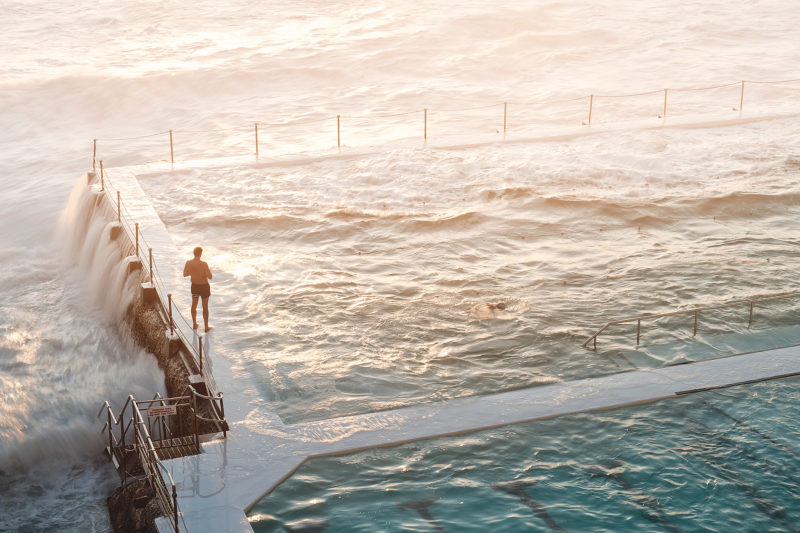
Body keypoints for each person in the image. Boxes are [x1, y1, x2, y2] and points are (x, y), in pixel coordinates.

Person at [183, 246, 212, 332]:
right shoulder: (204, 264)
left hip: (195, 287)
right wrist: (204, 274)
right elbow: (210, 276)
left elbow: (185, 274)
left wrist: (193, 272)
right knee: (205, 307)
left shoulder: (188, 263)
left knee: (194, 305)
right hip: (204, 287)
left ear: (194, 253)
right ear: (200, 254)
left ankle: (194, 324)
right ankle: (206, 327)